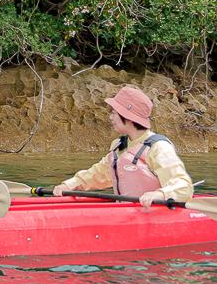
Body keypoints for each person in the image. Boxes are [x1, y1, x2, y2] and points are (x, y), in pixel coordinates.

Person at [52, 85, 192, 208]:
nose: (110, 118)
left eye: (114, 113)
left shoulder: (159, 148)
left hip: (154, 212)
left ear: (128, 117)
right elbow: (100, 173)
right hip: (125, 212)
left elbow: (184, 186)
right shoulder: (119, 146)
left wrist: (160, 194)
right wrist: (70, 184)